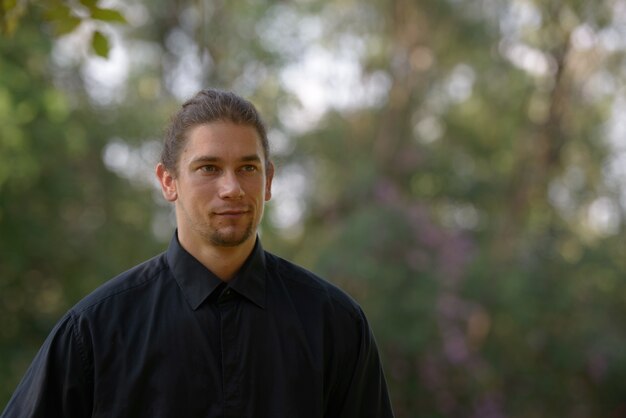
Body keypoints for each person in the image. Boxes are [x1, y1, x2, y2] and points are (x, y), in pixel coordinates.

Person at [1, 88, 394, 418]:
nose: (232, 188)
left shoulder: (335, 324)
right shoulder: (95, 331)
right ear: (168, 181)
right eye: (208, 168)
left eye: (248, 168)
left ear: (269, 180)